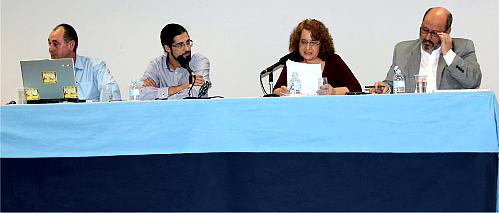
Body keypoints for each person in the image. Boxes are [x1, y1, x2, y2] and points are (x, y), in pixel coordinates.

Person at [370, 7, 481, 94]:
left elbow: (473, 82)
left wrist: (448, 54)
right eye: (425, 30)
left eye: (434, 33)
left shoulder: (463, 47)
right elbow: (391, 82)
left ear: (447, 31)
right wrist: (385, 87)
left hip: (447, 114)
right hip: (413, 114)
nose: (427, 37)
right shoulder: (402, 50)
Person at [273, 19, 361, 96]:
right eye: (303, 42)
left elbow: (356, 88)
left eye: (313, 42)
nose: (307, 47)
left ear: (322, 44)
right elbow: (276, 90)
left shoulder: (333, 61)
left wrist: (334, 91)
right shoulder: (293, 61)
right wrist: (282, 91)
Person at [48, 23, 121, 101]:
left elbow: (111, 90)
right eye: (49, 44)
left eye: (56, 44)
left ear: (71, 45)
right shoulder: (47, 72)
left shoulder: (94, 66)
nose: (50, 49)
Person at [139, 23, 210, 100]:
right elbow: (143, 94)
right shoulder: (156, 65)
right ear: (167, 48)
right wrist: (182, 87)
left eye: (188, 42)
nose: (187, 49)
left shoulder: (199, 62)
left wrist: (159, 98)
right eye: (180, 45)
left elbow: (197, 94)